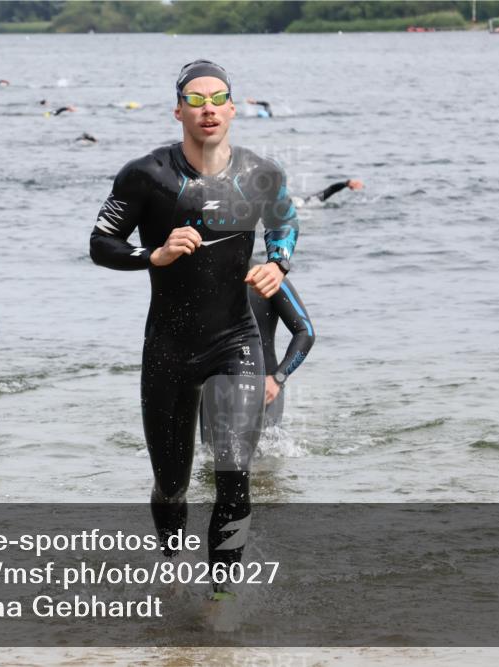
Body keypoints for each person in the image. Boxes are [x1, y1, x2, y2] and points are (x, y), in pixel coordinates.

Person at [89, 59, 298, 600]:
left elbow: (285, 221)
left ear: (233, 107)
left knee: (233, 472)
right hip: (169, 347)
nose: (208, 109)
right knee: (172, 484)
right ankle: (172, 566)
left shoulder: (261, 174)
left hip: (235, 341)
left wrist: (279, 262)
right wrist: (151, 255)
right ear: (178, 109)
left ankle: (222, 601)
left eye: (218, 98)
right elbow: (101, 244)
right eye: (195, 100)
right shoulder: (147, 175)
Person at [201, 262, 315, 441]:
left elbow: (305, 333)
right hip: (214, 389)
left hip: (265, 389)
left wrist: (278, 378)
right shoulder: (203, 279)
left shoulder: (269, 276)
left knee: (264, 463)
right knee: (211, 462)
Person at [294, 178, 363, 207]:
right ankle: (347, 183)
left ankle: (347, 183)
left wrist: (346, 184)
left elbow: (331, 189)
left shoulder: (306, 203)